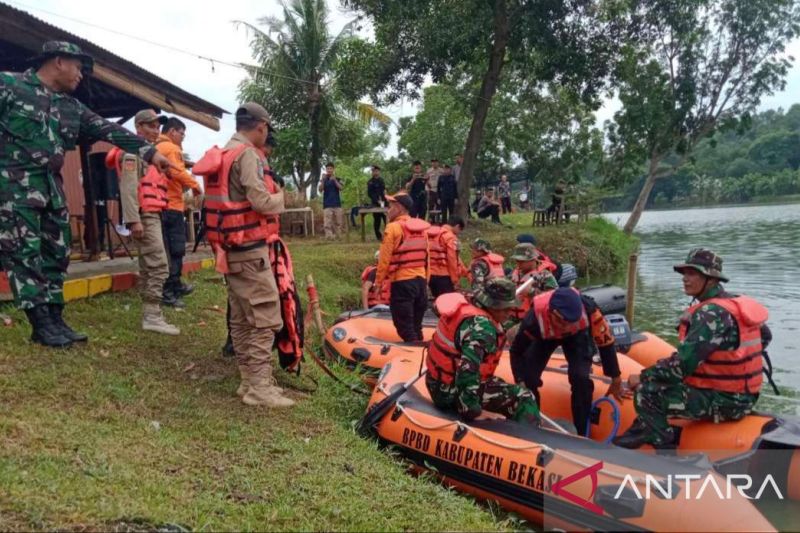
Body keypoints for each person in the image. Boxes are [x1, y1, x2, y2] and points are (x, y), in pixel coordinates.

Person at [0, 41, 172, 348]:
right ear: (59, 61)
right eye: (78, 67)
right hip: (14, 190)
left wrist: (148, 151)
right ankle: (40, 323)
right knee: (24, 254)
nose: (81, 75)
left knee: (58, 251)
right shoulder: (9, 86)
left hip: (51, 190)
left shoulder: (71, 106)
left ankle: (55, 316)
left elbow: (108, 130)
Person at [613, 249, 771, 449]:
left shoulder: (710, 314)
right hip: (746, 396)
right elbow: (765, 336)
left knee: (647, 392)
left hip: (725, 401)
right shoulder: (733, 304)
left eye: (693, 274)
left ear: (711, 279)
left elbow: (680, 367)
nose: (685, 279)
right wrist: (732, 360)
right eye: (684, 273)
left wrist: (642, 377)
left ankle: (662, 444)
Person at [197, 102, 293, 408]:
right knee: (264, 319)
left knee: (240, 319)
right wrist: (281, 198)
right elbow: (262, 201)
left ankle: (248, 380)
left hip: (230, 249)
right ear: (261, 126)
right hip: (250, 252)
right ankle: (259, 388)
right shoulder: (248, 155)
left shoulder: (225, 152)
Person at [510, 287, 627, 436]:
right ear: (552, 313)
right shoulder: (533, 320)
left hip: (577, 335)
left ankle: (582, 431)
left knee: (580, 379)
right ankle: (533, 422)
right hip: (546, 334)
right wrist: (519, 379)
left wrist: (615, 377)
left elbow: (606, 342)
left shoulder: (590, 312)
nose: (566, 325)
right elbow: (516, 350)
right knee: (529, 378)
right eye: (564, 321)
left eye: (570, 321)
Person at [426, 278, 541, 425]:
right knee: (524, 396)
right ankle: (528, 441)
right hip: (447, 392)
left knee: (499, 384)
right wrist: (472, 410)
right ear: (492, 306)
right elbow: (468, 370)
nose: (508, 313)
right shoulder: (482, 329)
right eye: (505, 309)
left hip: (437, 382)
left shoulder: (468, 305)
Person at [110, 109, 180, 335]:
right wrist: (133, 221)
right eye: (150, 126)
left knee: (149, 265)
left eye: (157, 126)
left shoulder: (149, 155)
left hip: (153, 214)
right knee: (159, 265)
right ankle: (152, 315)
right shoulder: (133, 153)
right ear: (138, 127)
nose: (155, 130)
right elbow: (128, 189)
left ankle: (152, 311)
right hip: (144, 217)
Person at [157, 117, 202, 306]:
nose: (183, 137)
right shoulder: (171, 149)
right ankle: (169, 291)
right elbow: (177, 172)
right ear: (172, 131)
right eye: (182, 133)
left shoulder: (157, 147)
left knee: (170, 249)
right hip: (171, 206)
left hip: (162, 205)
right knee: (176, 250)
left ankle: (175, 284)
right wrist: (195, 186)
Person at [374, 192, 430, 342]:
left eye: (390, 206)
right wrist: (426, 281)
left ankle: (414, 355)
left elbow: (384, 259)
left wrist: (378, 283)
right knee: (416, 327)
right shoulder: (422, 229)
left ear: (399, 208)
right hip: (421, 282)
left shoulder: (393, 228)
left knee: (404, 327)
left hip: (403, 283)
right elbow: (427, 258)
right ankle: (421, 354)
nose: (388, 210)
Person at [509, 243, 558, 320]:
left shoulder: (545, 275)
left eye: (521, 261)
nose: (518, 264)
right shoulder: (514, 273)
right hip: (511, 317)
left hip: (533, 319)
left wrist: (531, 292)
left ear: (533, 259)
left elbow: (553, 299)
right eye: (517, 261)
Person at [427, 215, 465, 297]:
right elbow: (452, 259)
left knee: (437, 300)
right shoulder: (450, 237)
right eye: (460, 230)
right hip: (443, 275)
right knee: (447, 303)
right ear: (457, 226)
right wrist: (455, 279)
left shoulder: (433, 234)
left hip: (430, 274)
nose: (458, 233)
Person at [319, 162, 344, 240]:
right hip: (327, 204)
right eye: (328, 169)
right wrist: (323, 181)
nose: (329, 170)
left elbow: (341, 188)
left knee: (338, 222)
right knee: (327, 223)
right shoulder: (324, 179)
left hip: (337, 203)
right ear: (326, 170)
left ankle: (338, 236)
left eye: (330, 168)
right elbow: (320, 190)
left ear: (333, 169)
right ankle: (329, 237)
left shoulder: (338, 178)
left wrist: (335, 180)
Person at [366, 164, 387, 241]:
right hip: (375, 203)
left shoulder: (382, 180)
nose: (375, 172)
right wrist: (377, 200)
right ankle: (379, 237)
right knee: (377, 220)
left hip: (384, 203)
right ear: (372, 172)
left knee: (386, 219)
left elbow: (384, 190)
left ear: (379, 171)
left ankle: (388, 235)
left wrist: (386, 196)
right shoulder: (370, 182)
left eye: (376, 171)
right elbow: (370, 194)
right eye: (373, 171)